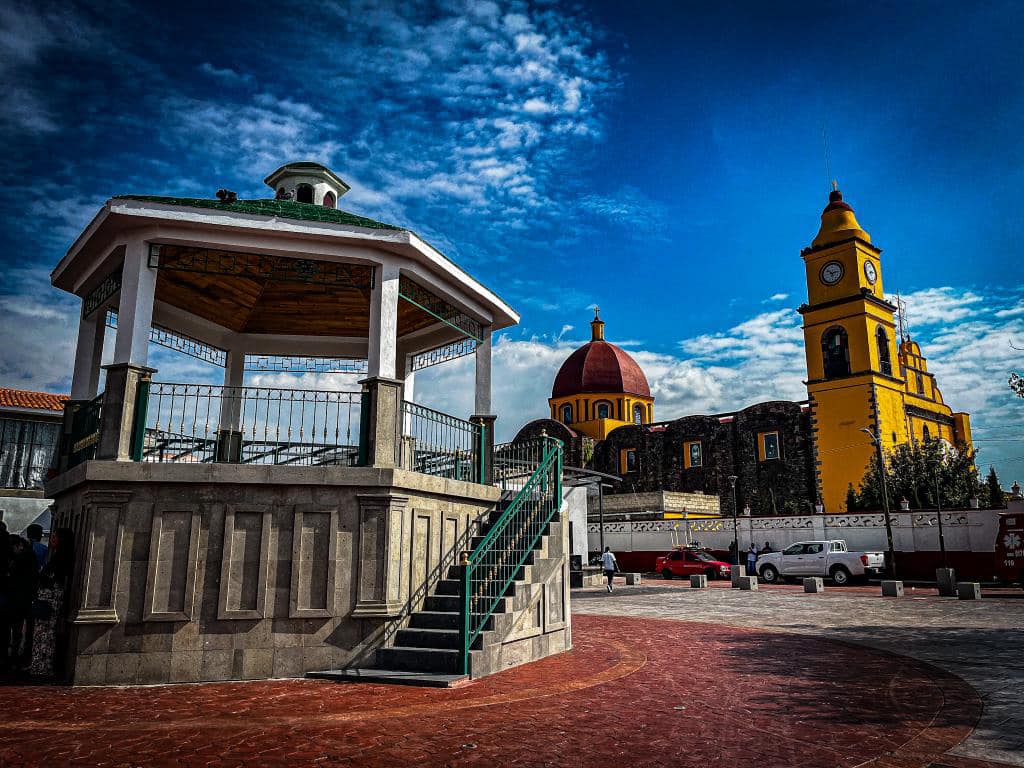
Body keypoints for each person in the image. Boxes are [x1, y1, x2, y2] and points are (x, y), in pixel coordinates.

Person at [7, 535, 40, 670]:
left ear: (19, 545)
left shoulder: (21, 559)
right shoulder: (32, 556)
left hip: (19, 598)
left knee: (17, 628)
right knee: (28, 628)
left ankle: (15, 655)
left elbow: (13, 577)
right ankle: (24, 654)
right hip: (29, 597)